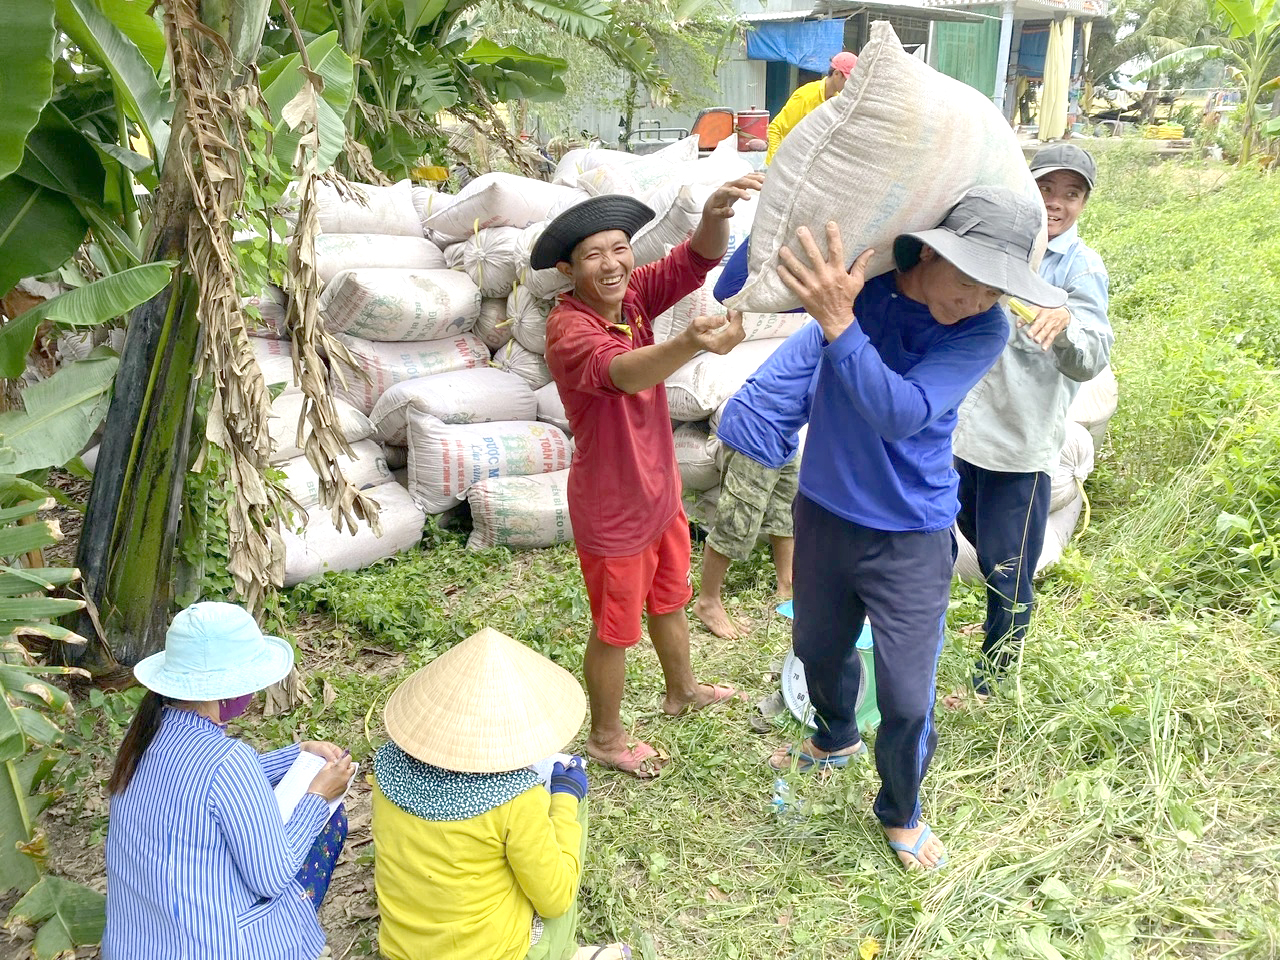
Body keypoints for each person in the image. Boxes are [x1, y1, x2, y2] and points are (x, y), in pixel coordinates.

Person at [717, 186, 1067, 870]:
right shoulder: (863, 287)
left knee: (908, 696)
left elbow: (901, 412)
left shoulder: (981, 330)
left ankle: (900, 812)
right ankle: (836, 734)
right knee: (818, 646)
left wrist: (840, 325)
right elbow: (741, 284)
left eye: (993, 290)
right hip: (823, 511)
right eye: (966, 280)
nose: (974, 300)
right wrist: (779, 215)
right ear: (928, 253)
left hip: (910, 531)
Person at [534, 176, 762, 778]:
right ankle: (606, 738)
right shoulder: (570, 330)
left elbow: (694, 261)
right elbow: (625, 374)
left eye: (618, 248)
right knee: (615, 629)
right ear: (568, 268)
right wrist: (690, 343)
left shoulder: (631, 296)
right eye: (593, 255)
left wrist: (715, 214)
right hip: (612, 509)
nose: (611, 264)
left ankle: (681, 691)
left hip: (659, 492)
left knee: (669, 599)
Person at [943, 145, 1113, 709]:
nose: (1057, 203)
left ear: (1085, 202)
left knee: (1008, 567)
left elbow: (1091, 357)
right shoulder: (1001, 243)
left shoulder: (1078, 268)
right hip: (963, 435)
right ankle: (953, 636)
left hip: (1020, 446)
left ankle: (992, 685)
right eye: (1047, 188)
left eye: (1072, 193)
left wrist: (1065, 324)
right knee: (952, 537)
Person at [103, 602, 353, 960]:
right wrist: (317, 796)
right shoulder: (228, 761)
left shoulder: (144, 733)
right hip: (216, 946)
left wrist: (298, 752)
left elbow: (209, 786)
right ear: (232, 693)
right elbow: (273, 876)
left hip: (136, 944)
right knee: (330, 821)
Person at [371, 626, 629, 960]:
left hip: (401, 952)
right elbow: (555, 899)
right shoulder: (515, 798)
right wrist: (564, 800)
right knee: (570, 803)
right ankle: (565, 952)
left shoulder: (386, 767)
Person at [692, 415, 805, 640]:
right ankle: (708, 601)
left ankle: (786, 587)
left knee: (788, 507)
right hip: (758, 427)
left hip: (785, 431)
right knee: (737, 519)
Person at [766, 53, 858, 164]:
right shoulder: (806, 96)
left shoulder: (837, 101)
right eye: (848, 80)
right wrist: (775, 164)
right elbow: (775, 129)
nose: (850, 85)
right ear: (836, 74)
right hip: (787, 160)